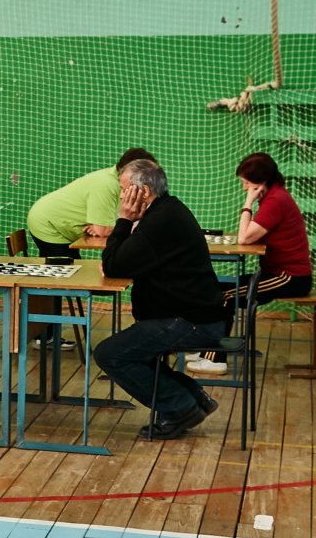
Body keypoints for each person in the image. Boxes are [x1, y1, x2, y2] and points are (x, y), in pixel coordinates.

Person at [94, 159, 224, 441]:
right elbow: (122, 261)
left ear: (142, 191)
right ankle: (192, 396)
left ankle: (181, 408)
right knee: (132, 351)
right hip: (193, 315)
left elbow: (114, 265)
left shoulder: (160, 221)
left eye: (124, 190)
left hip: (190, 321)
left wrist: (124, 219)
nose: (121, 196)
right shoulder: (166, 210)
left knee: (110, 354)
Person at [188, 153, 312, 375]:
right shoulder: (274, 196)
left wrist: (248, 203)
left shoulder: (276, 200)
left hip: (291, 278)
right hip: (276, 274)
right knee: (217, 289)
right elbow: (249, 236)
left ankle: (215, 359)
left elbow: (244, 238)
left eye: (247, 183)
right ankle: (207, 347)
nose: (244, 188)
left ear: (260, 182)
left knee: (225, 296)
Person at [26, 147, 157, 349]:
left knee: (65, 278)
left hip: (63, 228)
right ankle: (44, 337)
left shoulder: (119, 181)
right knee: (57, 281)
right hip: (48, 225)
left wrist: (107, 227)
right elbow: (104, 229)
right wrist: (107, 227)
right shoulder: (106, 185)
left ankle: (46, 335)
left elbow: (110, 227)